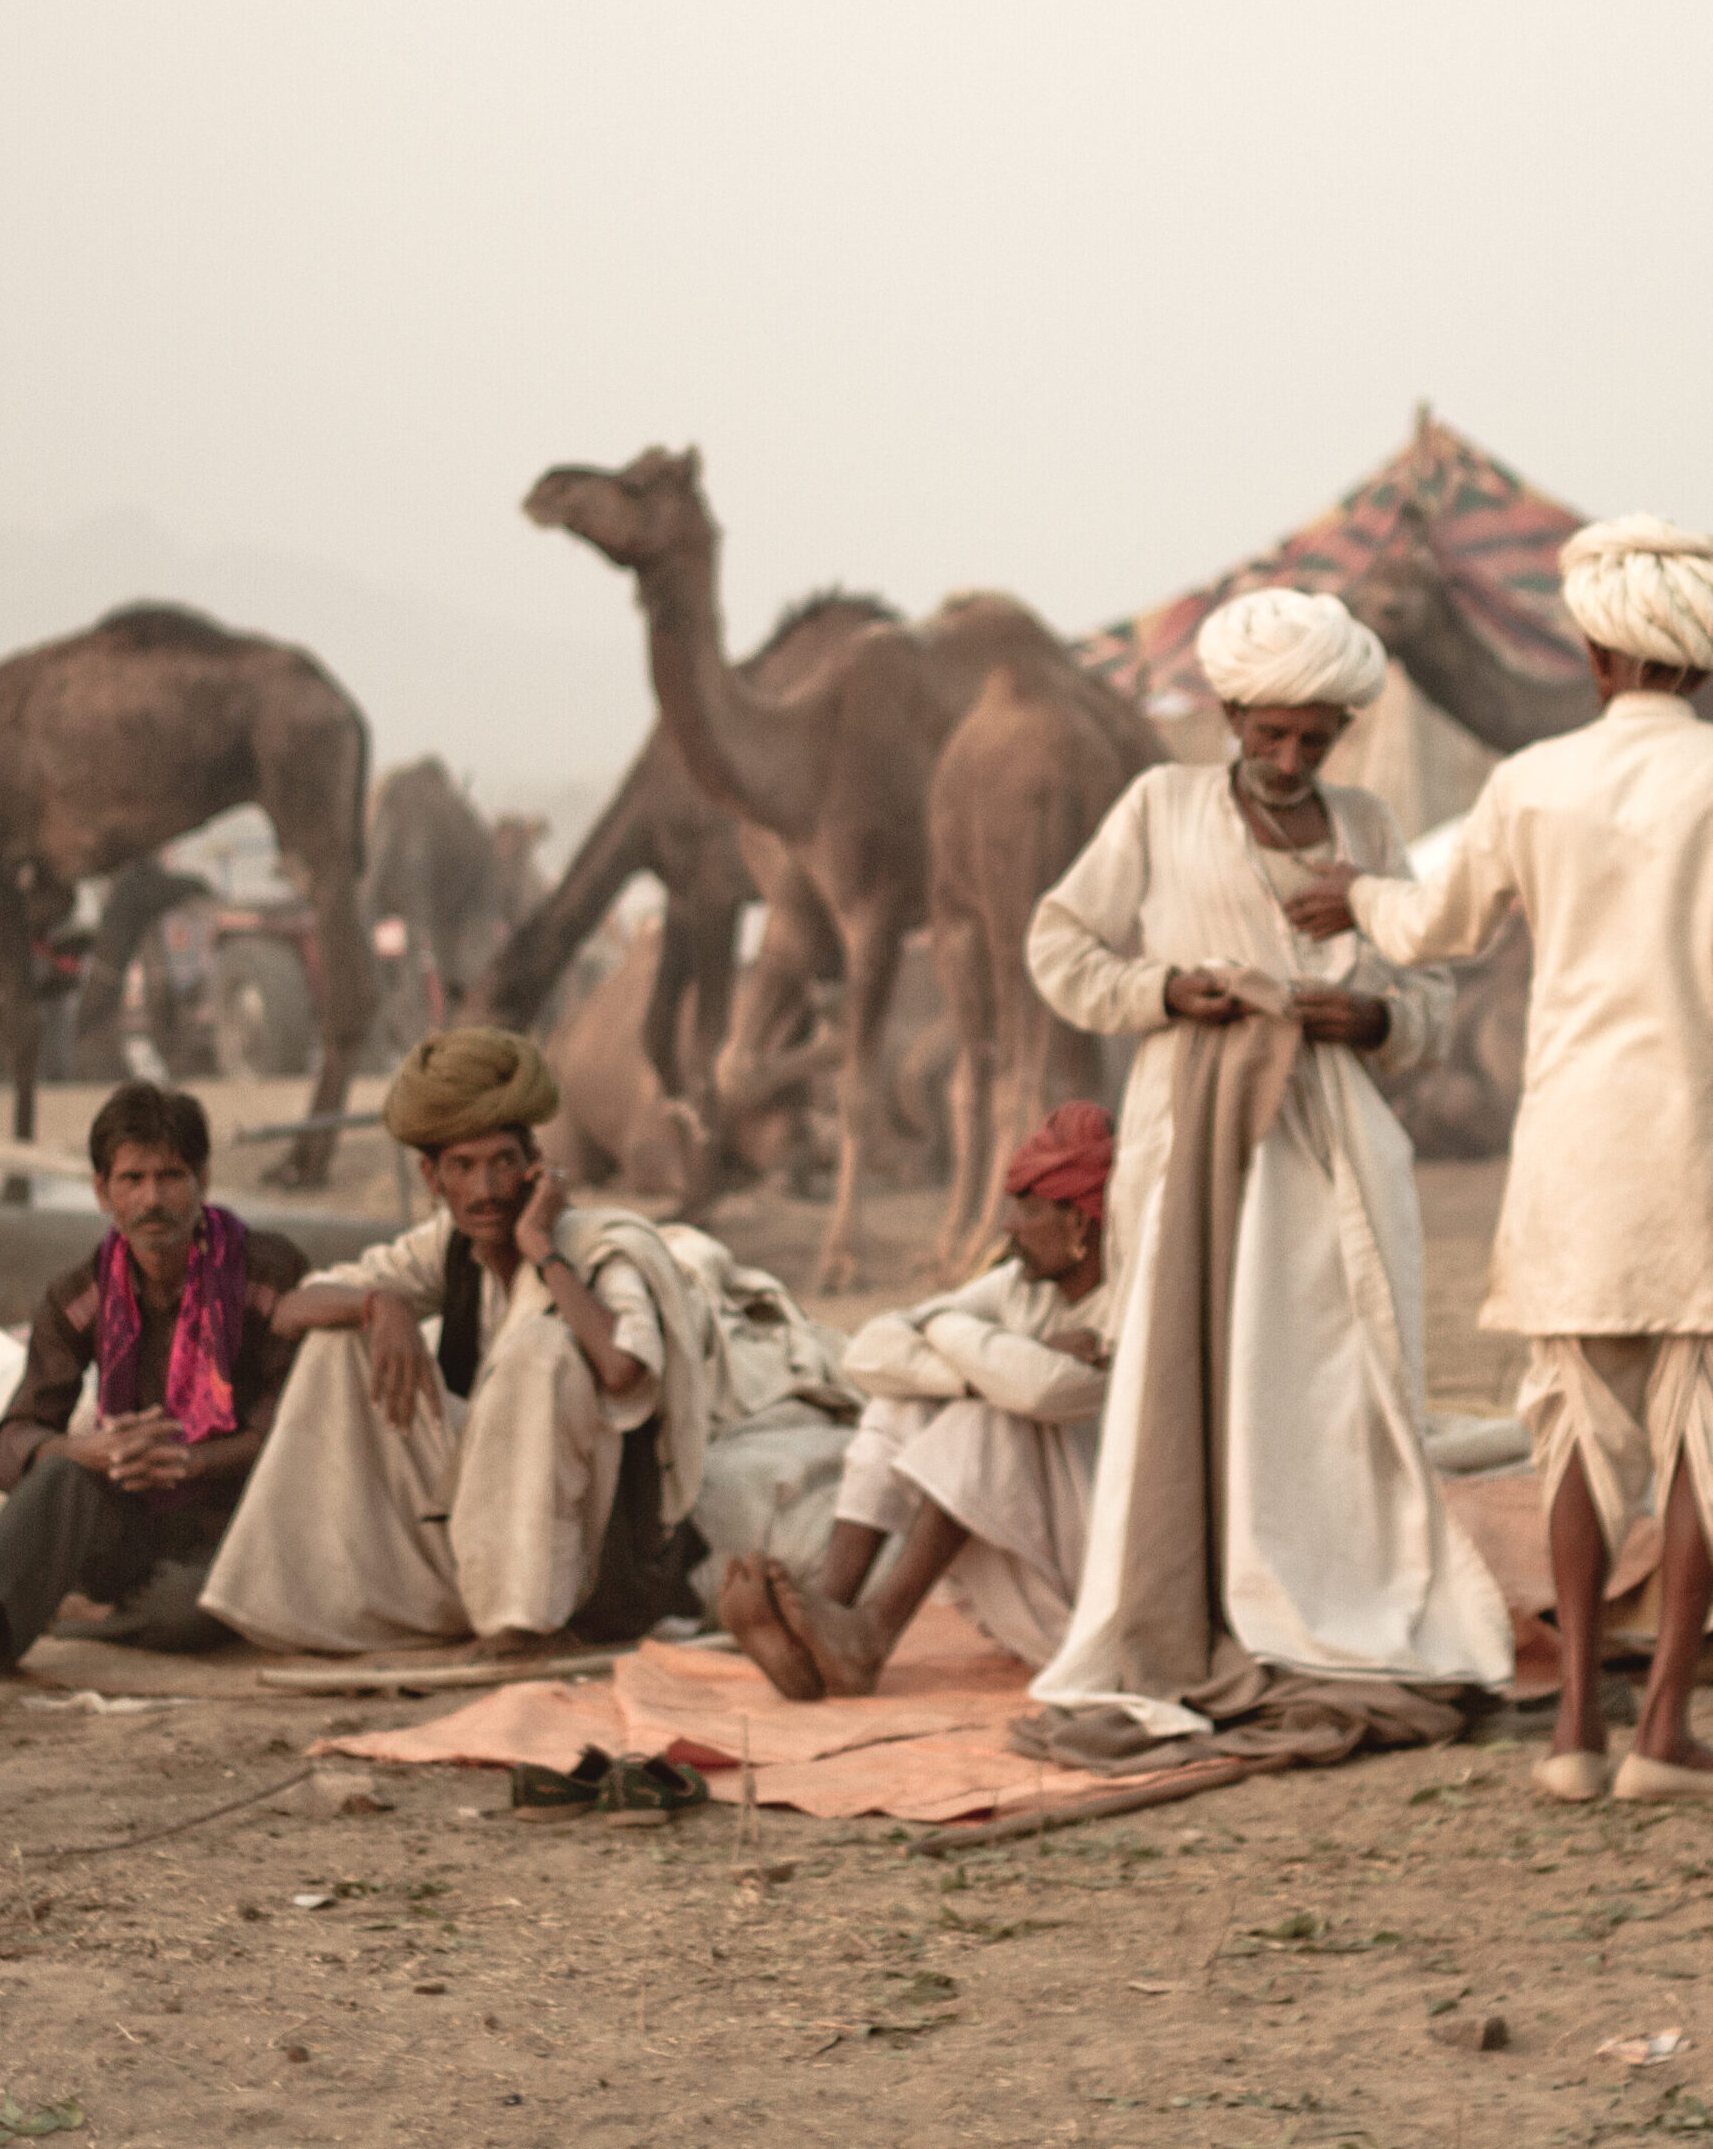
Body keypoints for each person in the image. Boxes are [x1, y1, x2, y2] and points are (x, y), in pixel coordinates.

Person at [1019, 586, 1512, 1757]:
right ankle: (1202, 1602)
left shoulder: (1370, 826)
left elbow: (1430, 988)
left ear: (1339, 729)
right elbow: (1059, 940)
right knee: (1198, 1369)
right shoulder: (1159, 805)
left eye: (1315, 737)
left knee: (1331, 1385)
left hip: (1330, 1134)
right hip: (1195, 1126)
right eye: (1270, 733)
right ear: (1231, 714)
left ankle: (1328, 1614)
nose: (1291, 758)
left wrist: (1375, 1018)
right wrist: (1160, 993)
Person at [1298, 516, 1713, 1802]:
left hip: (1572, 1144)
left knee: (1575, 1435)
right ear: (1693, 663)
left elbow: (1429, 921)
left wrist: (1348, 898)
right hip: (1697, 1139)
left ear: (1592, 657)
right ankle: (1665, 1737)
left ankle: (1574, 1732)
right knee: (1702, 1433)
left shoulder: (1529, 781)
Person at [199, 1027, 710, 1659]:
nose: (487, 1189)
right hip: (485, 1534)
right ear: (432, 1177)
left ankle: (520, 1621)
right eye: (463, 1168)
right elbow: (291, 1310)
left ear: (535, 1167)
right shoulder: (446, 1246)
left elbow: (623, 1370)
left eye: (502, 1163)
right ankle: (320, 1598)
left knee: (541, 1350)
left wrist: (541, 1249)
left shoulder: (598, 1247)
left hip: (599, 1549)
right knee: (338, 1341)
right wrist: (377, 1303)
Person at [0, 1081, 307, 1685]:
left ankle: (78, 1620)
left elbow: (291, 1426)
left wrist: (190, 1461)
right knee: (61, 1472)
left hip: (242, 1523)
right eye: (132, 1180)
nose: (153, 1199)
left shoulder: (267, 1275)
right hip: (131, 1521)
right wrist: (91, 1451)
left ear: (203, 1180)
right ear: (101, 1192)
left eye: (171, 1176)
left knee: (187, 1615)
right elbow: (18, 1435)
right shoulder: (78, 1296)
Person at [722, 1103, 1115, 1700]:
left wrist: (951, 1336)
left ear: (1078, 1223)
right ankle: (830, 1611)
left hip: (1097, 1572)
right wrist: (985, 1359)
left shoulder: (1124, 1314)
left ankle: (876, 1632)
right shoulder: (1020, 1289)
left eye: (1026, 1209)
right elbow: (871, 1351)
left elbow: (1041, 1388)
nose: (1008, 1227)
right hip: (1029, 1545)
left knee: (988, 1416)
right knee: (900, 1403)